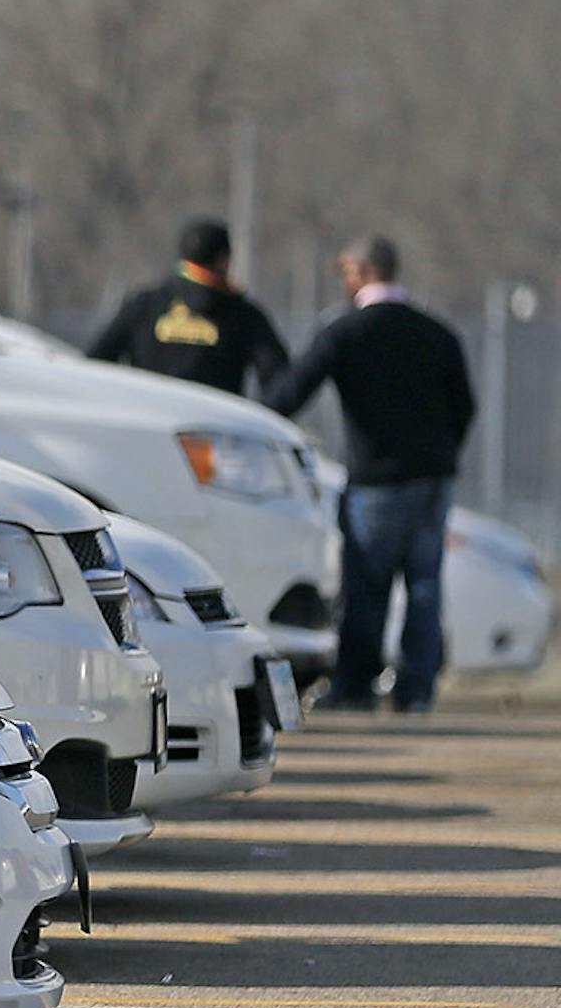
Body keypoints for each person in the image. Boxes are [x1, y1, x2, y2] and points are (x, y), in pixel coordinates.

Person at [267, 236, 475, 713]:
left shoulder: (346, 332)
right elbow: (465, 405)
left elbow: (290, 394)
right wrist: (442, 454)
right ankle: (417, 691)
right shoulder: (436, 332)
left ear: (360, 273)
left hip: (376, 480)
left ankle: (356, 687)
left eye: (345, 271)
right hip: (432, 478)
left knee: (367, 587)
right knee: (425, 588)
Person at [89, 218, 289, 396]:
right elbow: (279, 384)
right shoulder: (243, 315)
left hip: (148, 424)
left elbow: (94, 367)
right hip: (213, 430)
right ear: (224, 260)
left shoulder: (144, 305)